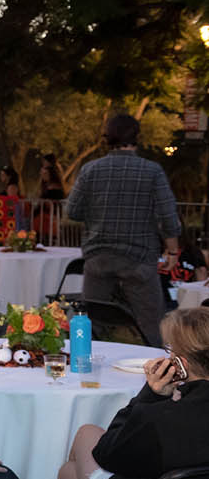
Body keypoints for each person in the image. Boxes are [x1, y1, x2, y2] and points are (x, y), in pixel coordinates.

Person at [56, 307, 209, 479]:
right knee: (68, 476)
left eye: (169, 350)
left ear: (180, 363)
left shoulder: (164, 417)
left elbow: (107, 454)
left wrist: (149, 396)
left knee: (86, 436)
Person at [67, 113, 180, 345]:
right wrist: (173, 251)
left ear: (107, 137)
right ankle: (162, 374)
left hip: (99, 257)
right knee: (152, 326)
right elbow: (167, 216)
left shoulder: (91, 169)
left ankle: (79, 371)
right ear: (136, 136)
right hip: (139, 259)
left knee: (88, 324)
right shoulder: (152, 171)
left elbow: (72, 212)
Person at [158, 230, 208, 306]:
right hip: (159, 301)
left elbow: (202, 282)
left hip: (185, 300)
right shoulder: (153, 251)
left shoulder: (192, 251)